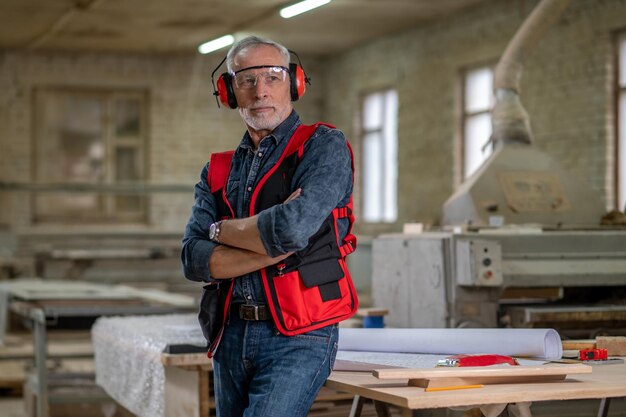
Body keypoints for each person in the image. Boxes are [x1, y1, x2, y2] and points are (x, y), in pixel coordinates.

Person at [181, 35, 359, 417]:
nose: (260, 90)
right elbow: (192, 260)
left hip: (300, 333)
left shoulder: (323, 146)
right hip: (230, 334)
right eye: (246, 79)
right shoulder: (217, 169)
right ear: (229, 91)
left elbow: (292, 229)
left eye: (273, 77)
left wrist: (221, 229)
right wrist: (271, 238)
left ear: (293, 84)